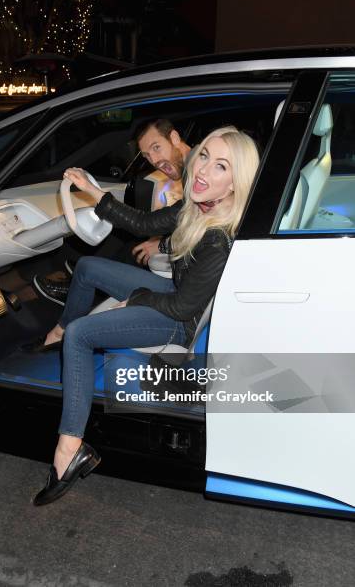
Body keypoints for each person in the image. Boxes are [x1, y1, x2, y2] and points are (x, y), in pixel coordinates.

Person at [32, 126, 259, 506]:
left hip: (176, 320)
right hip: (172, 294)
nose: (202, 171)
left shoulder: (218, 237)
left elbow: (183, 309)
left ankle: (69, 451)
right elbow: (144, 224)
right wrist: (95, 194)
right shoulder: (198, 204)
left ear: (235, 184)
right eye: (204, 156)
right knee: (87, 267)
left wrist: (135, 299)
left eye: (221, 166)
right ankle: (55, 331)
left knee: (82, 335)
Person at [33, 118, 191, 306]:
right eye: (147, 155)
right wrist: (163, 242)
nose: (154, 161)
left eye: (156, 147)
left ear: (174, 137)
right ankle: (88, 280)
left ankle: (88, 285)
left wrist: (165, 245)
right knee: (135, 244)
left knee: (138, 244)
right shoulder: (192, 171)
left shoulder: (201, 176)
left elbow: (144, 223)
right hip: (190, 261)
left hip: (187, 283)